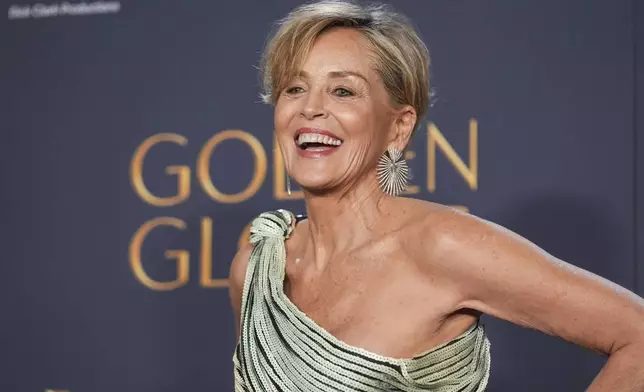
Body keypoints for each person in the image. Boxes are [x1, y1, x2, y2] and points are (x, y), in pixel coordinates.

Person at [228, 1, 644, 391]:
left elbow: (637, 336)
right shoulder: (257, 263)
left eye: (343, 91)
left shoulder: (440, 245)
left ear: (398, 127)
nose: (311, 109)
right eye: (294, 88)